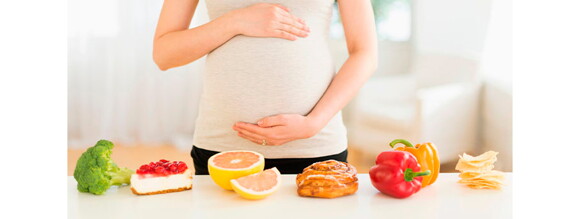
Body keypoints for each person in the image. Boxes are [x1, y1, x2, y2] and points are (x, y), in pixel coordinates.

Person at [153, 0, 377, 174]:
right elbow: (164, 55)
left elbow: (365, 52)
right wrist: (235, 21)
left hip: (315, 146)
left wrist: (314, 122)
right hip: (223, 148)